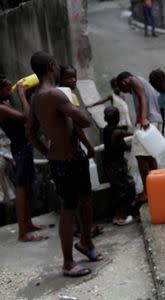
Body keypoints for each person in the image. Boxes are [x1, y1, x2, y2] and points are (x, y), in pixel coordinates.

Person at [28, 51, 103, 277]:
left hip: (69, 157)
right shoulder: (54, 95)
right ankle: (68, 263)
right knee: (69, 210)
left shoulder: (35, 98)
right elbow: (83, 120)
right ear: (52, 65)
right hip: (65, 161)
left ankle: (86, 243)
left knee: (85, 200)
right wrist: (70, 103)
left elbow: (31, 132)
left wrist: (46, 151)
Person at [59, 64, 104, 239]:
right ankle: (86, 228)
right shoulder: (67, 96)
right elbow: (76, 125)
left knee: (74, 193)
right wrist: (88, 145)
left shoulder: (57, 95)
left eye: (74, 77)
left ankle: (82, 227)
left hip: (66, 148)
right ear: (60, 78)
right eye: (69, 77)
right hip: (75, 146)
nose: (73, 81)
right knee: (83, 194)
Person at [0, 75, 44, 242]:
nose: (10, 90)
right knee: (21, 190)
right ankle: (22, 233)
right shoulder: (1, 107)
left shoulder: (5, 103)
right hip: (19, 149)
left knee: (26, 188)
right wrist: (22, 95)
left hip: (23, 147)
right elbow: (26, 117)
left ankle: (28, 224)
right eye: (7, 88)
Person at [116, 71, 162, 203]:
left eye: (123, 89)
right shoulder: (142, 80)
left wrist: (142, 118)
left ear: (124, 82)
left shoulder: (133, 80)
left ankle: (148, 191)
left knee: (140, 156)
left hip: (148, 121)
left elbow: (143, 97)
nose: (127, 92)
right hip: (154, 120)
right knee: (150, 156)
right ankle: (155, 187)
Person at [102, 106, 135, 225]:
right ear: (118, 117)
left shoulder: (106, 130)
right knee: (123, 189)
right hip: (115, 164)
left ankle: (116, 215)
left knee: (116, 189)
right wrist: (135, 139)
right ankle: (121, 217)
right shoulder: (116, 132)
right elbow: (122, 139)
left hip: (108, 163)